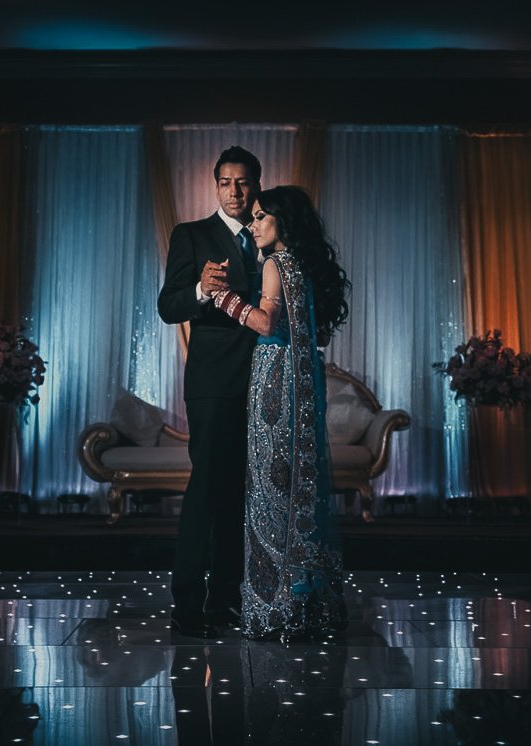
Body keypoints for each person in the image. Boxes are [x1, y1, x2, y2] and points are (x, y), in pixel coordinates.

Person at [207, 185, 351, 641]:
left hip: (274, 386)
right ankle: (306, 603)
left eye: (261, 216)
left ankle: (274, 609)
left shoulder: (273, 264)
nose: (253, 225)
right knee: (293, 487)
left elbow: (266, 322)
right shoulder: (303, 267)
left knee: (270, 489)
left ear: (282, 222)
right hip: (299, 386)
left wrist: (223, 299)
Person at [157, 146, 264, 638]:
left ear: (255, 184)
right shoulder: (193, 235)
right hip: (214, 383)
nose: (235, 190)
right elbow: (168, 306)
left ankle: (227, 601)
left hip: (265, 385)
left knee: (241, 495)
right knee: (207, 490)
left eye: (242, 182)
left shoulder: (269, 237)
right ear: (215, 185)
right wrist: (200, 289)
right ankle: (187, 604)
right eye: (226, 182)